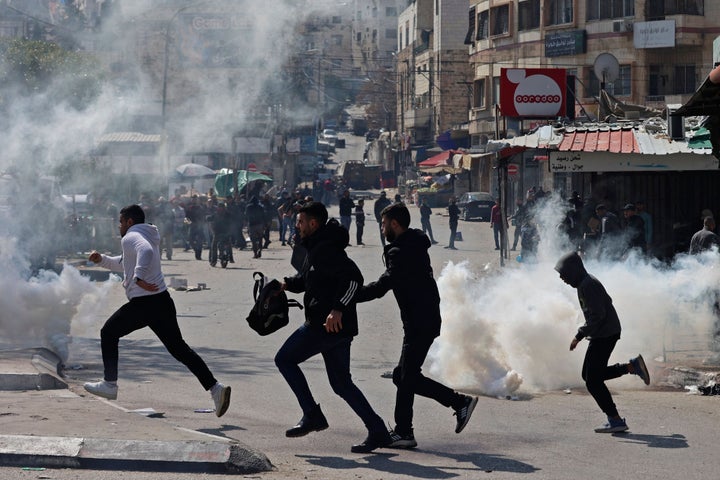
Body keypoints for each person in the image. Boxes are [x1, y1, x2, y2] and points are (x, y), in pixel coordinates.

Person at [83, 205, 231, 417]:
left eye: (121, 221)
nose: (119, 226)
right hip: (162, 301)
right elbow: (126, 263)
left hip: (144, 304)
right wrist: (103, 260)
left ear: (130, 222)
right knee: (180, 349)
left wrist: (138, 278)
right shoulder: (147, 234)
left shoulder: (131, 237)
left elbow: (145, 253)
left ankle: (109, 384)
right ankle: (216, 389)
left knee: (108, 333)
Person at [356, 203, 478, 448]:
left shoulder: (399, 251)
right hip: (424, 318)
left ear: (394, 224)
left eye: (383, 224)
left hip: (419, 321)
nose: (381, 229)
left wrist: (351, 297)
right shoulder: (414, 244)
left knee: (407, 376)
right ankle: (405, 431)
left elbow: (384, 285)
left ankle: (457, 403)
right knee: (403, 376)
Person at [274, 202, 392, 453]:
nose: (297, 226)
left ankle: (311, 414)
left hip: (324, 326)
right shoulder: (315, 248)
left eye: (300, 222)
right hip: (336, 329)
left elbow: (354, 279)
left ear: (313, 223)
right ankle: (378, 430)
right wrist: (284, 284)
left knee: (284, 359)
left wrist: (338, 308)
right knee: (341, 383)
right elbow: (309, 281)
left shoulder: (325, 249)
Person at [555, 251, 650, 433]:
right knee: (589, 375)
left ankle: (615, 420)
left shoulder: (588, 284)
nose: (562, 278)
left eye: (564, 274)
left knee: (592, 381)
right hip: (604, 333)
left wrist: (579, 335)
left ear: (574, 270)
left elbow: (598, 314)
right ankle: (631, 367)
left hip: (605, 334)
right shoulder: (584, 283)